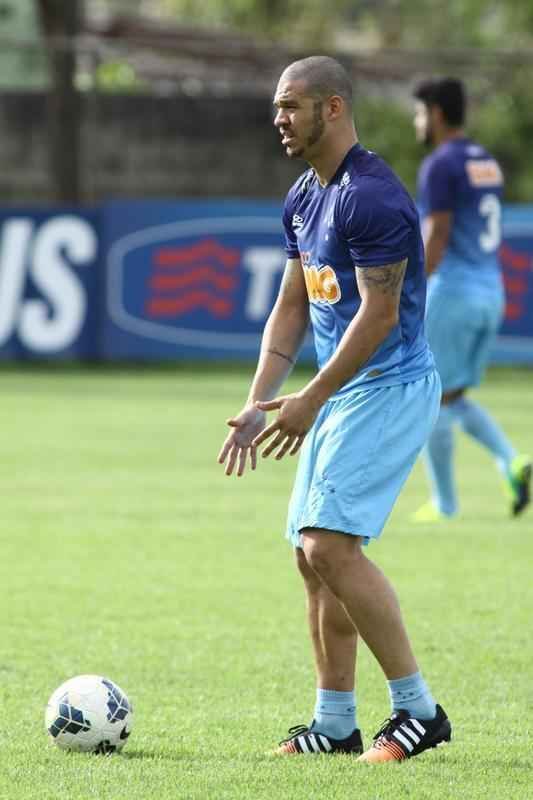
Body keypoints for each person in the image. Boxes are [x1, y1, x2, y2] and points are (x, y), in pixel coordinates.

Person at [218, 56, 451, 762]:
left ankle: (418, 712)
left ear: (333, 108)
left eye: (290, 105)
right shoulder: (303, 196)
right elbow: (292, 308)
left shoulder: (371, 196)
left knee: (329, 544)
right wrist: (260, 402)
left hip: (388, 385)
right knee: (309, 557)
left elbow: (378, 316)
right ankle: (334, 723)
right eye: (275, 107)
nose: (278, 118)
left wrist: (311, 398)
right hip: (341, 393)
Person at [412, 77, 531, 521]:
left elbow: (438, 236)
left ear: (437, 114)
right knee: (455, 395)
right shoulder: (487, 162)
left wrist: (409, 291)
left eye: (421, 112)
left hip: (454, 293)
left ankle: (445, 506)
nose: (417, 121)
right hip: (489, 291)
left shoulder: (441, 164)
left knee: (431, 394)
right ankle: (511, 461)